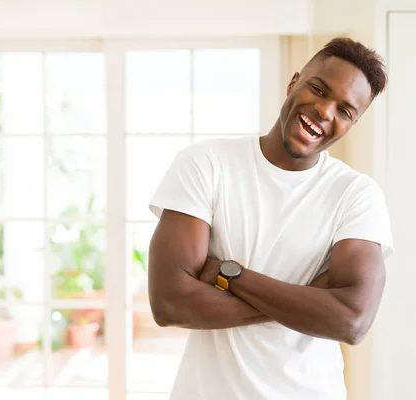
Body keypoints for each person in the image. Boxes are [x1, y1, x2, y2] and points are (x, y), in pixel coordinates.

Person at [147, 37, 393, 400]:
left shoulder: (356, 195)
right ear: (294, 82)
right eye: (318, 89)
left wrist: (230, 274)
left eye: (345, 111)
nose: (325, 112)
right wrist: (311, 300)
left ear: (351, 124)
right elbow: (169, 302)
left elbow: (351, 321)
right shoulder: (207, 164)